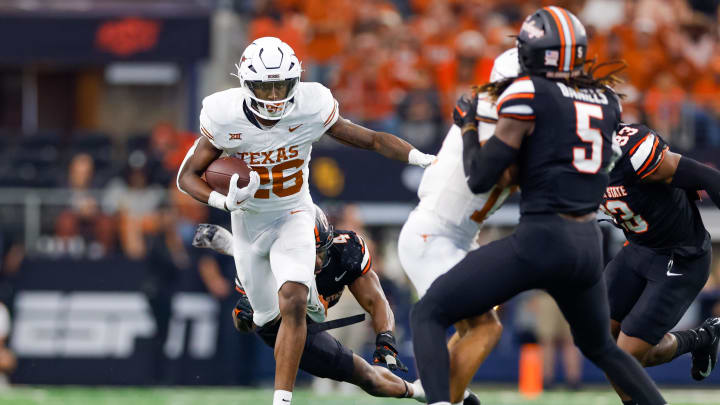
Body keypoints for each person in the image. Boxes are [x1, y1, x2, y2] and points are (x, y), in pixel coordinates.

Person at [410, 7, 668, 405]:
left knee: (429, 312)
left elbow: (480, 176)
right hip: (587, 242)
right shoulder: (605, 99)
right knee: (602, 347)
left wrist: (466, 125)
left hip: (542, 238)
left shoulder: (527, 92)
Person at [176, 37, 434, 405]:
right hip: (248, 222)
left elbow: (372, 139)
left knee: (293, 297)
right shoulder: (223, 114)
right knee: (265, 314)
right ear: (246, 84)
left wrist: (418, 158)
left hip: (292, 211)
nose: (274, 94)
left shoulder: (311, 106)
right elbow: (186, 177)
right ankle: (416, 392)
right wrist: (222, 199)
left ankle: (281, 401)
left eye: (281, 84)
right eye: (265, 85)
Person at [192, 206, 426, 402]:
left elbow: (376, 300)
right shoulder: (264, 264)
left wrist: (385, 337)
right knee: (273, 290)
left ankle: (417, 391)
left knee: (368, 377)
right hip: (278, 326)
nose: (314, 261)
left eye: (319, 251)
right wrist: (244, 316)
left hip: (311, 325)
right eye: (305, 252)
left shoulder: (346, 250)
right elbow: (244, 326)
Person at [397, 48, 520, 405]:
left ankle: (438, 391)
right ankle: (442, 398)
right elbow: (493, 174)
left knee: (477, 323)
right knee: (486, 327)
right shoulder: (490, 114)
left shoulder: (505, 116)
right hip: (433, 236)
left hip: (456, 237)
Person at [601, 122, 720, 404]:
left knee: (626, 357)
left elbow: (708, 177)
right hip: (638, 250)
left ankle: (700, 338)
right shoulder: (563, 156)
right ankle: (703, 337)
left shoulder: (631, 151)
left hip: (681, 257)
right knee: (598, 342)